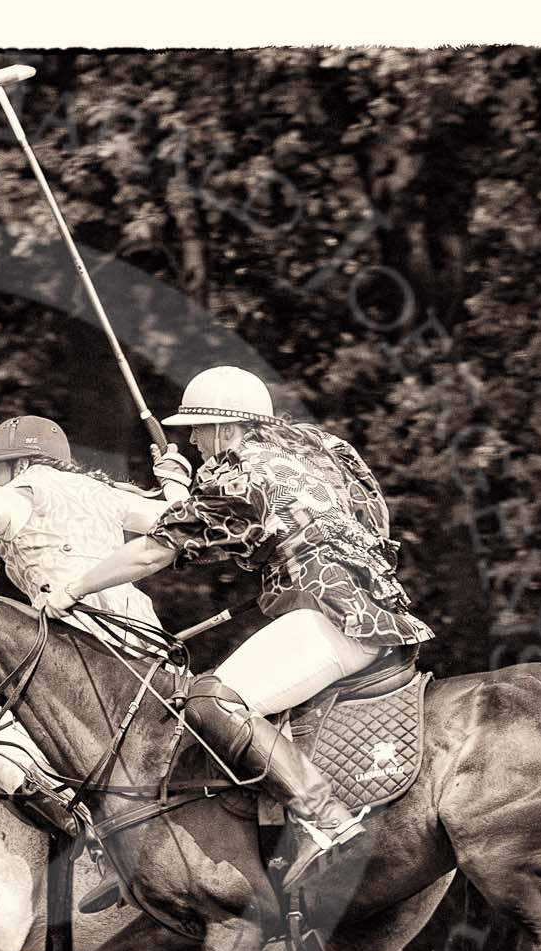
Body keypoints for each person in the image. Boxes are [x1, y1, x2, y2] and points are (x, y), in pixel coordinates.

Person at [33, 367, 434, 895]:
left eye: (198, 430)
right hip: (381, 605)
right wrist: (183, 487)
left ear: (224, 428)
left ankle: (328, 822)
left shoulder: (234, 475)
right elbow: (372, 521)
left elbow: (157, 548)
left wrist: (72, 590)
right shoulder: (322, 447)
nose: (192, 440)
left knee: (210, 701)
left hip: (334, 618)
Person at [0, 413, 191, 809]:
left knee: (6, 764)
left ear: (20, 463)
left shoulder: (11, 495)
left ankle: (80, 831)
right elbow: (177, 520)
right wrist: (175, 481)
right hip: (145, 639)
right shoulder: (104, 492)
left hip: (72, 645)